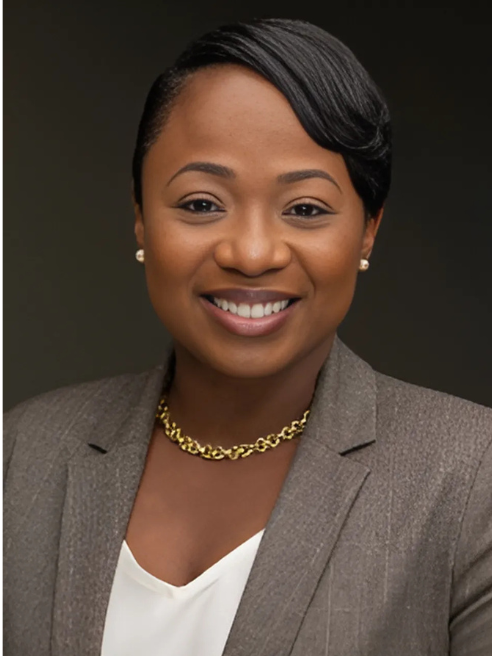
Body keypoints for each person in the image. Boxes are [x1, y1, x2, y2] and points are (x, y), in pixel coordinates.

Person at [3, 17, 491, 656]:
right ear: (141, 217)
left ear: (367, 230)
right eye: (202, 203)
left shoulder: (471, 479)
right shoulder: (21, 458)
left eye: (306, 210)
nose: (253, 253)